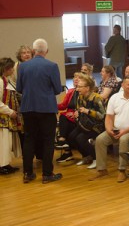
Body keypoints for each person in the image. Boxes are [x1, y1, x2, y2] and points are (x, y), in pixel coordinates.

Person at [16, 38, 64, 183]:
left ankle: (28, 173)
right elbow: (57, 89)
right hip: (46, 108)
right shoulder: (52, 66)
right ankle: (47, 174)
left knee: (29, 139)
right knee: (48, 140)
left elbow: (19, 88)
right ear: (46, 51)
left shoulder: (23, 67)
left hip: (28, 107)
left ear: (33, 51)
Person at [93, 76, 129, 181]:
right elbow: (109, 117)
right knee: (100, 140)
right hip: (116, 129)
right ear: (123, 85)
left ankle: (122, 170)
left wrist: (124, 131)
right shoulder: (115, 97)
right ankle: (101, 170)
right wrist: (109, 130)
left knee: (124, 139)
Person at [69, 75, 106, 169]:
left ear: (87, 88)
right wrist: (77, 112)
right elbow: (79, 108)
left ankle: (96, 159)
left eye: (80, 87)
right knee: (71, 137)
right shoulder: (80, 97)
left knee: (80, 138)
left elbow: (102, 115)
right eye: (77, 86)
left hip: (96, 126)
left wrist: (88, 111)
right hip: (84, 124)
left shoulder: (96, 98)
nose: (77, 89)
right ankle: (87, 156)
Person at [0, 58, 22, 175]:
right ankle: (2, 165)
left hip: (6, 117)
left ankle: (5, 164)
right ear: (6, 69)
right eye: (11, 68)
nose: (13, 70)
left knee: (7, 142)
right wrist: (9, 111)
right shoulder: (0, 81)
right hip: (3, 117)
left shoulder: (6, 80)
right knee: (3, 142)